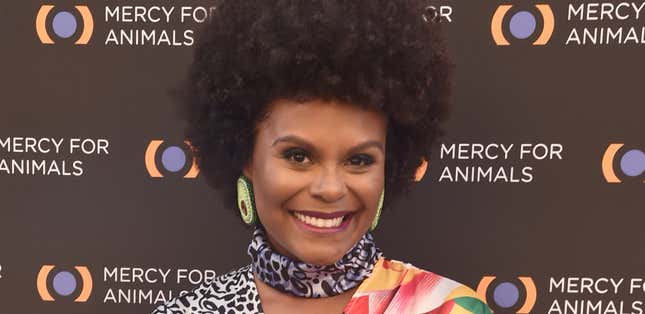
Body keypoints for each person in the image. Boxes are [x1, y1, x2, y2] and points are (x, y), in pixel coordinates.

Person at [153, 0, 490, 313]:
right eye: (298, 156)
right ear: (244, 157)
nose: (330, 188)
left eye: (359, 161)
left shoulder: (446, 308)